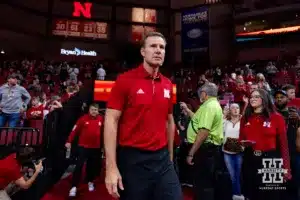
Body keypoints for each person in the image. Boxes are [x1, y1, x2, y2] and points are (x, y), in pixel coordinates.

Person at [104, 31, 182, 200]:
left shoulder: (168, 85)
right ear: (143, 52)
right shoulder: (125, 80)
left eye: (162, 47)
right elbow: (111, 120)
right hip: (133, 160)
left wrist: (169, 157)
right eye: (153, 46)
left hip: (161, 159)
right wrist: (110, 167)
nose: (158, 50)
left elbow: (169, 121)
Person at [240, 89, 291, 200]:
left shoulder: (277, 118)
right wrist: (243, 143)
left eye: (256, 96)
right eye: (251, 96)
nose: (252, 99)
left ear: (264, 99)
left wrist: (286, 169)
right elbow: (241, 138)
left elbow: (284, 145)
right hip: (250, 159)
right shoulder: (245, 117)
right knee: (252, 195)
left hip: (271, 160)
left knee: (271, 195)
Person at [184, 83, 223, 200]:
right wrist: (187, 110)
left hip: (204, 149)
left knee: (203, 183)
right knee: (203, 181)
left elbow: (204, 131)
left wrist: (191, 153)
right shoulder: (211, 105)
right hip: (206, 149)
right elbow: (197, 120)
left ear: (204, 94)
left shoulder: (209, 107)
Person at [65, 103, 104, 197]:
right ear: (89, 110)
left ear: (98, 111)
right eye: (92, 109)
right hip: (83, 147)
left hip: (96, 148)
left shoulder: (101, 119)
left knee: (92, 167)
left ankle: (90, 181)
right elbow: (74, 130)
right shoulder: (83, 119)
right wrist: (69, 141)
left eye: (96, 110)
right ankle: (74, 187)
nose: (94, 111)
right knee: (78, 167)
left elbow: (104, 133)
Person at [222, 103, 244, 200]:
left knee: (238, 174)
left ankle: (237, 194)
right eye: (233, 108)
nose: (235, 109)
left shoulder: (243, 121)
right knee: (232, 174)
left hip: (240, 151)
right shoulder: (225, 121)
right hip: (227, 151)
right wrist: (223, 116)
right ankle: (237, 194)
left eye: (237, 108)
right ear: (230, 110)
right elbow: (220, 132)